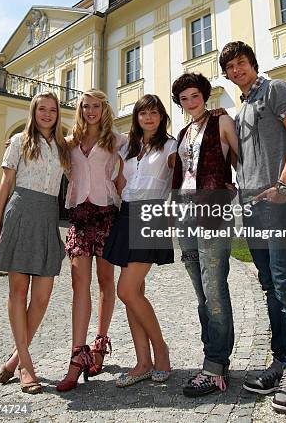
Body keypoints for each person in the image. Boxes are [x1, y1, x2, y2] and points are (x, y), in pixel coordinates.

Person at [219, 41, 286, 413]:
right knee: (270, 285)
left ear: (252, 65)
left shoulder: (275, 89)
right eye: (231, 66)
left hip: (279, 203)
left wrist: (284, 185)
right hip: (252, 206)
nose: (237, 69)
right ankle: (280, 360)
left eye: (242, 63)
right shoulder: (241, 110)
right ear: (225, 75)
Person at [0, 92, 70, 394]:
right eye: (42, 109)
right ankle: (26, 365)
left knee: (42, 298)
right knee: (18, 292)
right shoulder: (19, 142)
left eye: (53, 110)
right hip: (20, 213)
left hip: (48, 217)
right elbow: (5, 184)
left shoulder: (64, 146)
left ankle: (12, 360)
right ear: (34, 112)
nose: (47, 114)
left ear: (58, 114)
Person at [171, 72, 238, 397]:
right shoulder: (183, 132)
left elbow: (241, 156)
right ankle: (214, 356)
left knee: (214, 287)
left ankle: (214, 366)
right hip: (185, 212)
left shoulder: (222, 121)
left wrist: (233, 187)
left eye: (194, 96)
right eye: (183, 99)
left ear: (205, 95)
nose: (190, 103)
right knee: (200, 291)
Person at [103, 94, 176, 387]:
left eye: (154, 113)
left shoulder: (171, 146)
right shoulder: (128, 147)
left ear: (161, 117)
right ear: (136, 117)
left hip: (152, 214)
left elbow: (186, 171)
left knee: (127, 290)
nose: (148, 118)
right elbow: (94, 132)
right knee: (134, 294)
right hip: (127, 214)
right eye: (143, 113)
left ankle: (161, 351)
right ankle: (142, 362)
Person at [56, 89, 125, 392]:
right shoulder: (68, 143)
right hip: (80, 217)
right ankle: (76, 355)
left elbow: (143, 157)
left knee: (105, 282)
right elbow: (43, 147)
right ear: (80, 110)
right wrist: (16, 144)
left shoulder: (117, 140)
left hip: (107, 213)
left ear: (103, 109)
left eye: (96, 106)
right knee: (78, 284)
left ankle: (100, 342)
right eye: (86, 106)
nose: (91, 111)